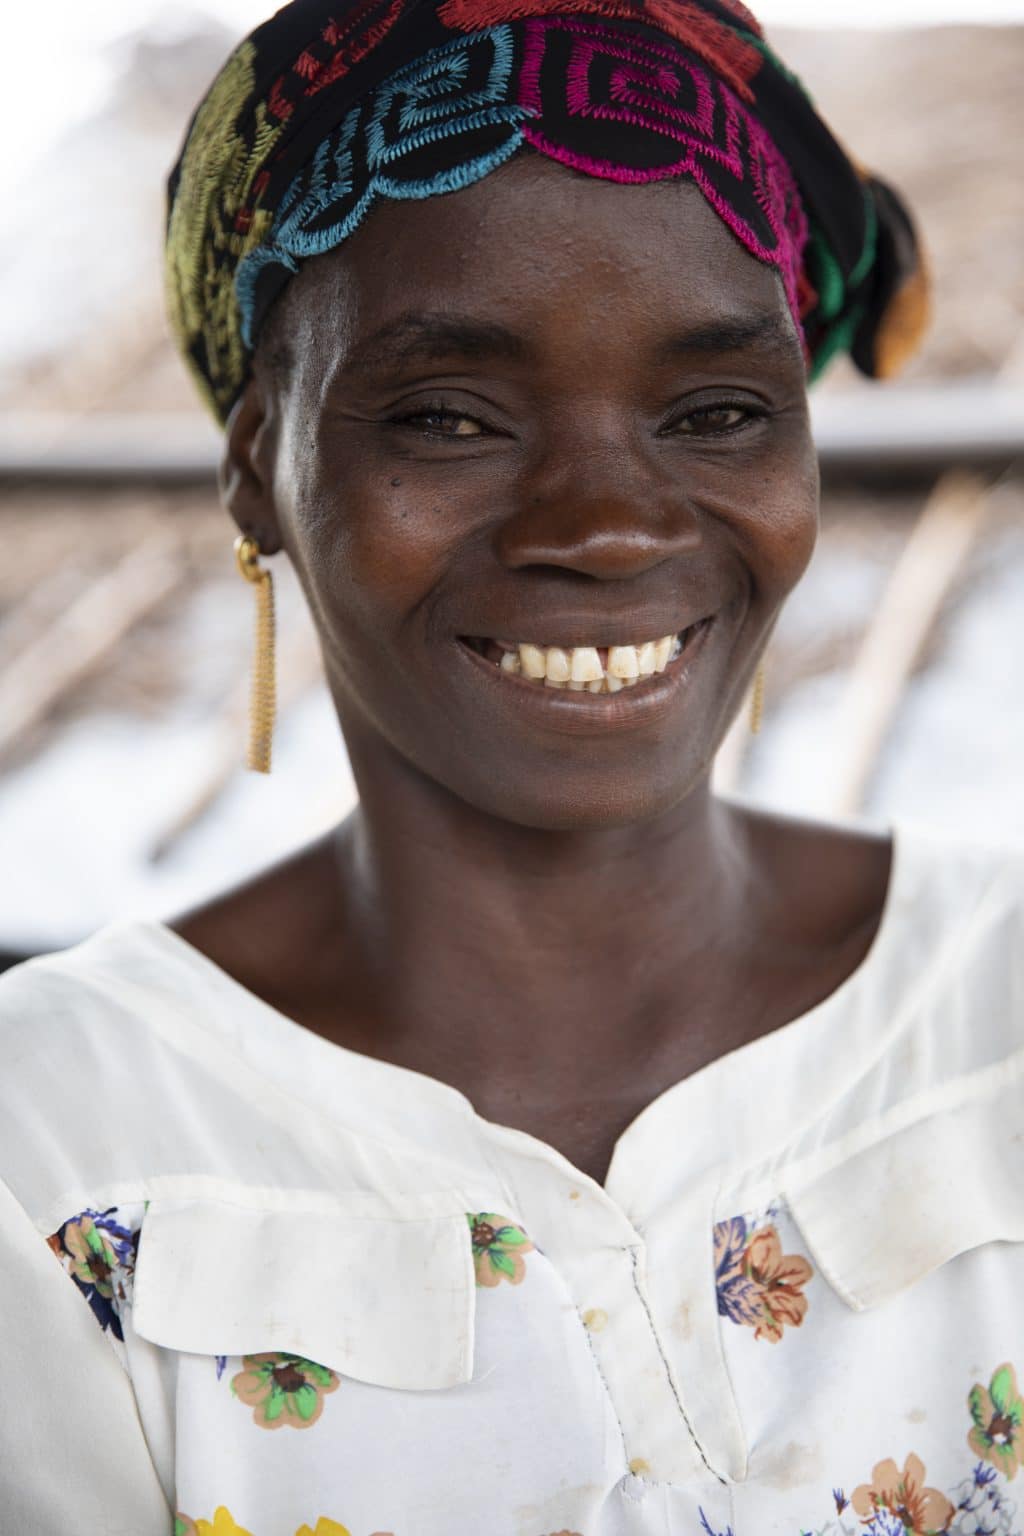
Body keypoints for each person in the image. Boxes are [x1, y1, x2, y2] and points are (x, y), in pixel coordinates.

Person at [1, 2, 1021, 1533]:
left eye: (720, 411)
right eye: (449, 417)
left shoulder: (999, 1004)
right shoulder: (48, 1147)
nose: (609, 524)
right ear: (259, 467)